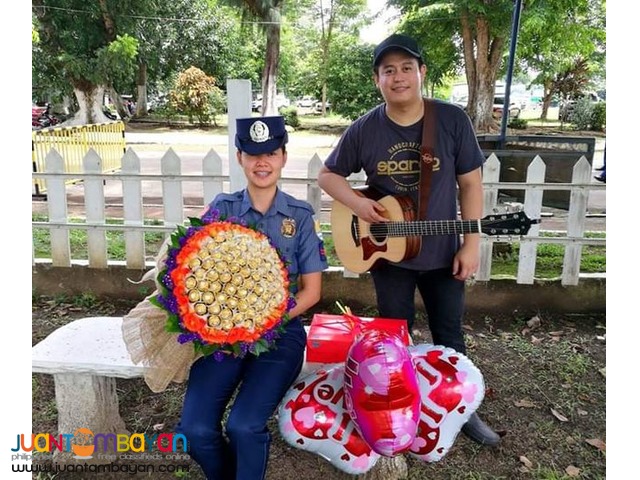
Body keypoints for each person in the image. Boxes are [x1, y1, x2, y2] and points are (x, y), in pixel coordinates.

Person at [317, 33, 501, 447]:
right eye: (388, 70)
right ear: (376, 80)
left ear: (421, 73)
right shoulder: (365, 128)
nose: (398, 77)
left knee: (449, 334)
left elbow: (471, 184)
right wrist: (361, 207)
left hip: (442, 254)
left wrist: (471, 243)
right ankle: (399, 408)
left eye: (406, 68)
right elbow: (327, 175)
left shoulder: (451, 120)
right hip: (389, 257)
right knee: (395, 337)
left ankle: (463, 408)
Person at [177, 115, 328, 479]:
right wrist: (227, 327)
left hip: (281, 334)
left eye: (271, 153)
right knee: (195, 431)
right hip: (223, 338)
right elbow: (190, 273)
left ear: (283, 157)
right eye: (253, 154)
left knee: (244, 426)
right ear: (240, 157)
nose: (263, 162)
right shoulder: (222, 209)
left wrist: (262, 323)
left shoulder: (300, 216)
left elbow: (311, 292)